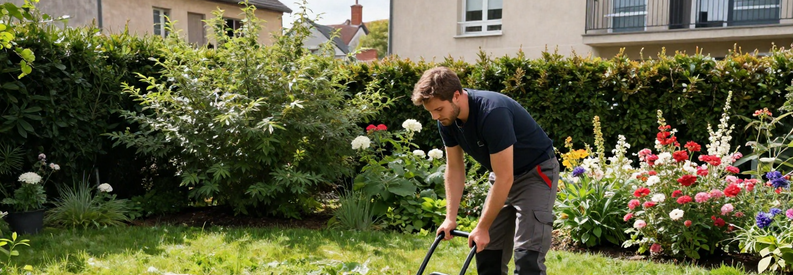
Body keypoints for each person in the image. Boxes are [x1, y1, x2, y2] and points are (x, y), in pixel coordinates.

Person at [411, 66, 559, 275]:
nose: (435, 116)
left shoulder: (492, 112)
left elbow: (505, 177)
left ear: (456, 95)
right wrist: (450, 218)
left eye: (439, 109)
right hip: (502, 177)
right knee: (487, 253)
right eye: (431, 112)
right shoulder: (447, 119)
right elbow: (455, 169)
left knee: (528, 258)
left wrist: (482, 227)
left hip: (535, 175)